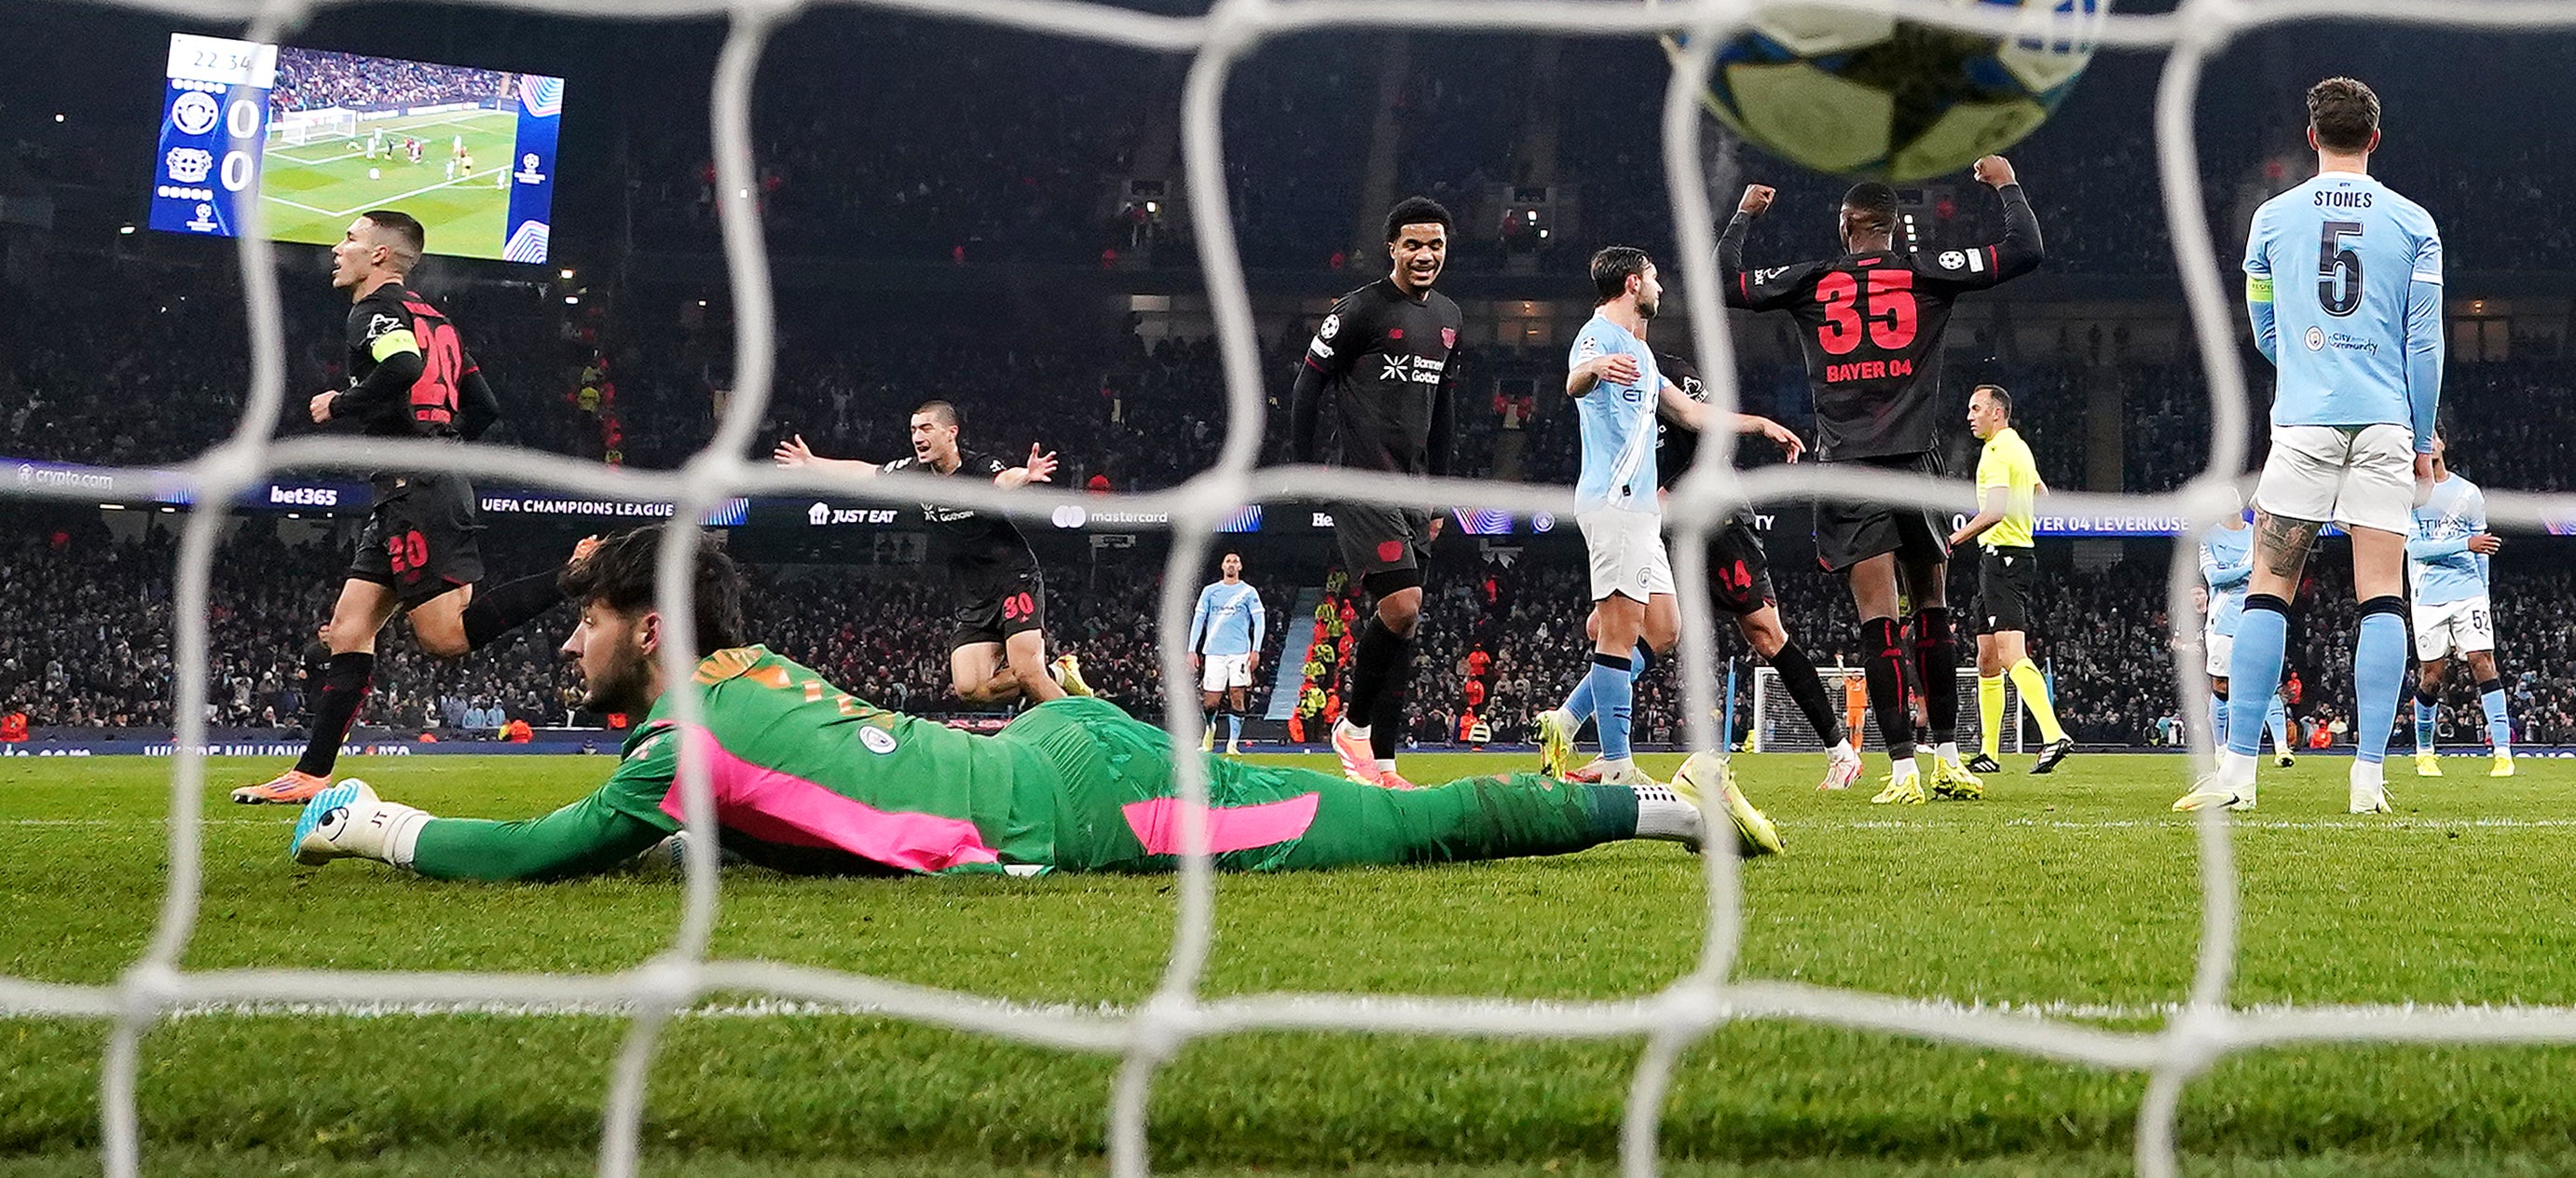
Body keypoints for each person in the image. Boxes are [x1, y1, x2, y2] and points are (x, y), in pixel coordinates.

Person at [288, 528, 1782, 878]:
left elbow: (546, 849)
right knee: (1374, 807)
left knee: (1399, 834)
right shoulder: (755, 681)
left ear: (650, 626)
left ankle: (1656, 803)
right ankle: (1647, 801)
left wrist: (376, 816)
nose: (567, 646)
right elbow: (801, 795)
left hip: (1089, 802)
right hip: (1050, 740)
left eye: (590, 618)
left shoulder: (682, 742)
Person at [1719, 156, 2044, 806]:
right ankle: (1950, 757)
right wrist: (2007, 182)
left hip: (1849, 468)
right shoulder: (1926, 273)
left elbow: (1724, 283)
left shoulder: (1812, 280)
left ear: (1847, 227)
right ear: (1896, 227)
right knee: (1934, 610)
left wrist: (1744, 217)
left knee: (1878, 621)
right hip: (1917, 466)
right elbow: (2025, 249)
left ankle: (1903, 771)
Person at [2179, 77, 2444, 816]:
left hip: (2303, 420)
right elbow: (2425, 343)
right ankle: (2367, 781)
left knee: (2270, 584)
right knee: (2383, 596)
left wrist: (2303, 365)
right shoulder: (2414, 222)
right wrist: (2422, 439)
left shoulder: (2271, 218)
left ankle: (2237, 778)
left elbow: (2263, 329)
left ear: (2311, 137)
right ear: (2376, 137)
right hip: (2387, 420)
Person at [233, 212, 563, 804]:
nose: (339, 250)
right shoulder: (441, 323)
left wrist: (342, 403)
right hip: (411, 489)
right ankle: (311, 773)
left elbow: (403, 366)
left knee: (444, 640)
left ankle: (575, 576)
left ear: (381, 256)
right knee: (348, 629)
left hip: (420, 492)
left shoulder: (374, 311)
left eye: (352, 240)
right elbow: (483, 408)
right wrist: (437, 440)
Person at [1532, 251, 1810, 803]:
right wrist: (1593, 371)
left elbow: (1690, 414)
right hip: (1615, 503)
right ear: (1634, 283)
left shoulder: (1641, 353)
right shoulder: (1600, 335)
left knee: (1662, 629)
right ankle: (1617, 766)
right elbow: (1574, 379)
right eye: (1655, 278)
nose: (1660, 287)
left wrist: (1759, 425)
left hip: (1641, 513)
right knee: (1617, 634)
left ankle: (1563, 723)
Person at [1289, 197, 1462, 789]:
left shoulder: (1449, 317)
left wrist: (1436, 492)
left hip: (1415, 491)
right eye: (1413, 244)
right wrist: (1305, 467)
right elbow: (1307, 387)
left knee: (1406, 626)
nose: (1424, 255)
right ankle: (1352, 726)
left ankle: (1383, 763)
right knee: (1403, 605)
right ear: (1392, 248)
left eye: (1435, 245)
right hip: (1362, 480)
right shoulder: (1358, 311)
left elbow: (1443, 411)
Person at [774, 403, 1081, 707]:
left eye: (925, 428)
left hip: (1013, 579)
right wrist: (813, 463)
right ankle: (1058, 673)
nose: (917, 436)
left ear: (951, 433)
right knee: (971, 689)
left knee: (1028, 673)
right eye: (912, 430)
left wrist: (1026, 475)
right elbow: (865, 472)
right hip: (971, 593)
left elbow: (1004, 481)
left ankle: (1089, 732)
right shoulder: (914, 473)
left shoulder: (978, 467)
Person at [1947, 385, 2072, 774]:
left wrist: (1951, 540)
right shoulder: (2019, 446)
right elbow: (2041, 492)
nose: (1970, 415)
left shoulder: (1997, 452)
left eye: (1976, 408)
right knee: (1986, 657)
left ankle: (2053, 735)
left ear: (1997, 413)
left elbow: (1996, 511)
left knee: (2010, 653)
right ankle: (1989, 753)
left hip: (2004, 557)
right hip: (2003, 557)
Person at [2408, 430, 2512, 778]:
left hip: (2469, 592)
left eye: (2433, 437)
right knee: (2432, 678)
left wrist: (2483, 591)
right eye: (2422, 440)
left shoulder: (2468, 493)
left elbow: (2485, 550)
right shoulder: (2411, 496)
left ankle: (2503, 753)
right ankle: (2425, 751)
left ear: (2443, 444)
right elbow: (2416, 550)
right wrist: (2465, 544)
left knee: (2484, 663)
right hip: (2429, 597)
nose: (2429, 444)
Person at [2196, 507, 2296, 770]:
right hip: (2223, 619)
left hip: (2256, 614)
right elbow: (2214, 577)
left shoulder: (2257, 536)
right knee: (2221, 685)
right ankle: (2221, 748)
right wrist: (2247, 570)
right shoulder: (2209, 537)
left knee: (2269, 684)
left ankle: (2282, 748)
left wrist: (2238, 571)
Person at [1188, 552, 1266, 756]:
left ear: (1240, 567)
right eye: (1228, 561)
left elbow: (1259, 621)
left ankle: (1233, 743)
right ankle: (1209, 729)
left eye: (1235, 561)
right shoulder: (1210, 591)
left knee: (1237, 694)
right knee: (1211, 700)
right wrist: (1191, 649)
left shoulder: (1248, 592)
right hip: (1214, 652)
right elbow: (1198, 620)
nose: (1232, 564)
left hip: (1239, 652)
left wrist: (1255, 649)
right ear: (1222, 566)